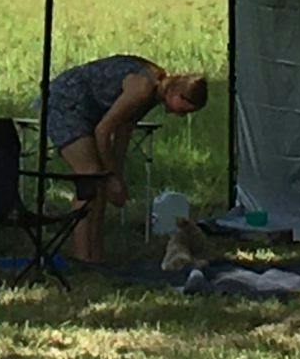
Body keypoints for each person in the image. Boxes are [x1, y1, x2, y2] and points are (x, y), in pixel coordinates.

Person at [38, 53, 209, 263]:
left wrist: (117, 177)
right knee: (90, 176)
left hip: (88, 111)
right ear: (176, 92)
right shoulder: (144, 87)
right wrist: (111, 177)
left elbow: (123, 131)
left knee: (99, 183)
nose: (181, 115)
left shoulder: (153, 95)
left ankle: (96, 255)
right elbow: (103, 131)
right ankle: (81, 255)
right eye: (183, 109)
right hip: (66, 102)